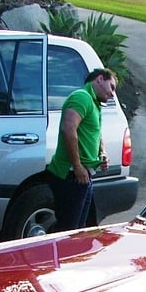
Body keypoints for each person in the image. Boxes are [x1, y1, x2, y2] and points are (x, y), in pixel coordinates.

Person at [47, 68, 118, 230]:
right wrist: (78, 166)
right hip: (70, 175)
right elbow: (68, 129)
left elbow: (97, 133)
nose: (112, 94)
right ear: (100, 79)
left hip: (84, 176)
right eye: (111, 87)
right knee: (68, 230)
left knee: (81, 228)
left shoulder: (94, 103)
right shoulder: (81, 97)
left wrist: (103, 153)